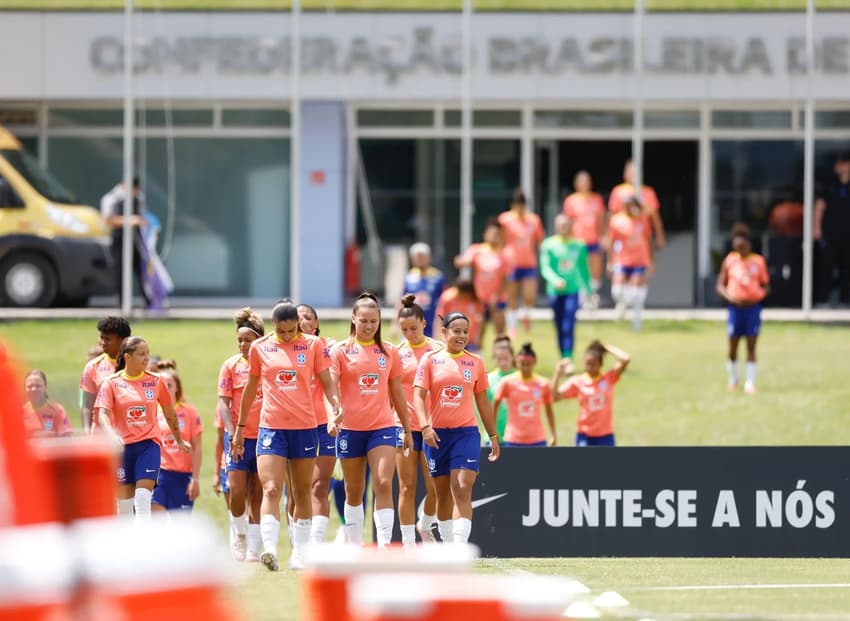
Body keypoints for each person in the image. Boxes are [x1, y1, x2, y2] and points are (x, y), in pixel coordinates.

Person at [232, 300, 340, 572]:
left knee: (302, 491)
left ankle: (300, 554)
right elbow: (250, 389)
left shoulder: (313, 346)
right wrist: (241, 427)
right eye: (283, 331)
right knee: (271, 488)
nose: (288, 335)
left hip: (305, 427)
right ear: (273, 326)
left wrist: (335, 407)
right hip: (272, 428)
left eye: (292, 330)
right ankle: (269, 549)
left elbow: (327, 382)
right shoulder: (261, 348)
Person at [327, 292, 412, 547]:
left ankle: (384, 545)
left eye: (373, 321)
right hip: (350, 429)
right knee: (354, 492)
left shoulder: (389, 351)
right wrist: (333, 414)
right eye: (363, 320)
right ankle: (354, 545)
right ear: (354, 319)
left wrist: (406, 428)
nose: (369, 326)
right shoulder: (340, 351)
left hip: (382, 427)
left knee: (384, 482)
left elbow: (397, 391)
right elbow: (330, 387)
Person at [413, 312, 500, 544]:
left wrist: (492, 434)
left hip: (466, 433)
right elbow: (418, 396)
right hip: (436, 436)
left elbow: (483, 400)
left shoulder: (476, 362)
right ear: (444, 332)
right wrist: (424, 427)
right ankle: (448, 544)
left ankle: (458, 547)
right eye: (456, 331)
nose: (461, 336)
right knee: (442, 495)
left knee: (461, 486)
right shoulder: (430, 360)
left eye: (465, 331)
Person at [94, 336, 190, 525]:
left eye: (148, 353)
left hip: (148, 446)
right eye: (141, 354)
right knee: (124, 506)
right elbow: (102, 414)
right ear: (127, 357)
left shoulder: (156, 381)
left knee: (143, 498)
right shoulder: (112, 383)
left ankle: (145, 546)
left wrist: (178, 440)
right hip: (122, 449)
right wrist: (111, 435)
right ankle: (128, 547)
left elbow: (170, 414)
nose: (147, 358)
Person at [218, 308, 265, 563]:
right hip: (237, 437)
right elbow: (224, 403)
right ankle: (240, 535)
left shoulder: (268, 365)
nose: (243, 344)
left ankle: (254, 548)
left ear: (259, 339)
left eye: (247, 340)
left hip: (264, 437)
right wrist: (231, 432)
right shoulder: (230, 366)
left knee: (257, 492)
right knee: (236, 489)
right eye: (240, 340)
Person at [395, 294, 440, 546]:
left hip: (432, 428)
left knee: (434, 486)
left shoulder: (437, 350)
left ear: (424, 323)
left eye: (413, 328)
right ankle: (408, 542)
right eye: (404, 330)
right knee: (406, 487)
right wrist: (399, 426)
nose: (409, 334)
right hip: (404, 427)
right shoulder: (396, 353)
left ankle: (425, 525)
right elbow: (392, 394)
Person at [297, 303, 338, 543]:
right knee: (297, 490)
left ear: (316, 324)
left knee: (320, 485)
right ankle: (298, 541)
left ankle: (315, 543)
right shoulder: (284, 350)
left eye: (309, 317)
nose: (303, 320)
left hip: (324, 425)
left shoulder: (328, 349)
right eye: (299, 317)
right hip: (296, 425)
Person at [716, 223, 770, 394]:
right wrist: (730, 297)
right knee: (733, 346)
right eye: (736, 245)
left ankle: (750, 382)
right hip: (735, 309)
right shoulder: (730, 260)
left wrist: (759, 295)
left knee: (751, 345)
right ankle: (733, 379)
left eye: (742, 245)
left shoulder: (758, 261)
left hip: (752, 309)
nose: (739, 248)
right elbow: (720, 285)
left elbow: (766, 285)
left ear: (748, 244)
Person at [552, 341, 630, 447]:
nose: (589, 367)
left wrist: (606, 348)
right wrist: (557, 374)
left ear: (601, 364)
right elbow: (555, 397)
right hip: (585, 435)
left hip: (605, 435)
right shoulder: (577, 382)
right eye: (587, 363)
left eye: (593, 364)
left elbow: (625, 359)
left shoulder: (608, 379)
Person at [540, 214, 591, 360]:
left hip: (572, 290)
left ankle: (568, 357)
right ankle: (563, 355)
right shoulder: (548, 245)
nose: (563, 227)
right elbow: (545, 268)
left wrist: (588, 289)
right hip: (555, 291)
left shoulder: (579, 245)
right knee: (559, 325)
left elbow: (583, 268)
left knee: (569, 323)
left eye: (566, 224)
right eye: (560, 224)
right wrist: (555, 280)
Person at [151, 367, 203, 512]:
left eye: (170, 385)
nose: (166, 389)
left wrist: (195, 479)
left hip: (183, 477)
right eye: (163, 385)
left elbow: (197, 447)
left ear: (177, 388)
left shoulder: (190, 412)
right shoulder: (153, 411)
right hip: (159, 475)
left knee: (179, 528)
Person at [454, 219, 512, 341]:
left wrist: (497, 296)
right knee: (478, 330)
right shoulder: (477, 250)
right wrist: (460, 261)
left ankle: (501, 354)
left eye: (497, 234)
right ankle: (478, 355)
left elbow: (507, 279)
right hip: (480, 298)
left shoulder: (504, 254)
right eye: (491, 233)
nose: (494, 236)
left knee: (500, 332)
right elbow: (465, 261)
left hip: (498, 299)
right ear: (485, 234)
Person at [498, 188, 545, 338]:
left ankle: (526, 314)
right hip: (511, 262)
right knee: (511, 296)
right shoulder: (505, 219)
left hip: (529, 262)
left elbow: (540, 240)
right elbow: (499, 239)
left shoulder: (533, 220)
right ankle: (512, 326)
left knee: (529, 295)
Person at [492, 343, 556, 447]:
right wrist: (493, 432)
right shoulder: (507, 382)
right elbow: (495, 405)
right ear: (517, 362)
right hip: (513, 438)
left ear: (535, 362)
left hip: (537, 438)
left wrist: (553, 435)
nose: (525, 368)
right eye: (522, 364)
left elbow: (549, 410)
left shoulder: (543, 383)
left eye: (528, 364)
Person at [607, 196, 652, 331]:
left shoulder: (642, 219)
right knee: (617, 291)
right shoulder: (616, 220)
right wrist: (610, 261)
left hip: (639, 260)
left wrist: (650, 261)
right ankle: (622, 305)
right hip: (622, 259)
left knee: (635, 291)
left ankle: (636, 323)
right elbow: (611, 242)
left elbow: (648, 239)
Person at [80, 316, 131, 432]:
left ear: (123, 340)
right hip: (101, 436)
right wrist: (87, 433)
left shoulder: (136, 365)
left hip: (130, 436)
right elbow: (87, 407)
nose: (102, 343)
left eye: (107, 339)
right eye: (101, 338)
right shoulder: (93, 367)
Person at [563, 171, 606, 308]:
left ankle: (591, 295)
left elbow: (602, 220)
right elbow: (567, 222)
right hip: (577, 241)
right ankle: (581, 298)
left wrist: (603, 236)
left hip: (593, 239)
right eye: (581, 181)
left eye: (587, 181)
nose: (584, 184)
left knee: (595, 270)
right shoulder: (571, 201)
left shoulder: (597, 199)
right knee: (580, 269)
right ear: (576, 184)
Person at [814, 150, 850, 307]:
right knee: (826, 269)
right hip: (830, 235)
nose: (838, 167)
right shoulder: (829, 185)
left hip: (848, 236)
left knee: (846, 270)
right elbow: (819, 207)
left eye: (842, 163)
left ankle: (845, 301)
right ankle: (822, 301)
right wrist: (816, 229)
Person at [608, 159, 666, 251]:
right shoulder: (618, 191)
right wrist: (608, 235)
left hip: (643, 235)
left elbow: (655, 215)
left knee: (645, 262)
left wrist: (660, 235)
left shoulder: (648, 192)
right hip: (623, 236)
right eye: (629, 171)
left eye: (635, 171)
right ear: (625, 173)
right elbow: (612, 214)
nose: (632, 174)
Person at [402, 243, 445, 338]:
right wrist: (395, 324)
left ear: (429, 257)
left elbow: (443, 301)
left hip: (431, 323)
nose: (419, 259)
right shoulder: (409, 277)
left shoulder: (438, 276)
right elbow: (402, 300)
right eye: (417, 257)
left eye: (422, 256)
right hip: (411, 321)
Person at [434, 279, 485, 351]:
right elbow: (439, 318)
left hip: (471, 341)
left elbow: (480, 320)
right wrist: (438, 337)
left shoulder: (475, 299)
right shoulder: (448, 297)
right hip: (451, 339)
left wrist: (479, 338)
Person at [23, 370, 73, 438]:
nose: (34, 389)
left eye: (38, 386)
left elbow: (66, 437)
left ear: (45, 388)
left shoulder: (58, 410)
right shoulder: (20, 413)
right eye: (29, 386)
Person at [486, 337, 515, 443]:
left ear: (513, 357)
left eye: (506, 358)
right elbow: (485, 410)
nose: (503, 362)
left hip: (515, 437)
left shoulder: (519, 378)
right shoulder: (488, 380)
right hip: (493, 437)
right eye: (499, 359)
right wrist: (493, 433)